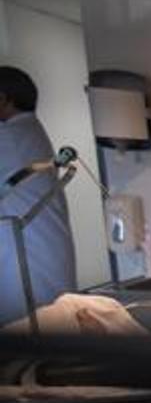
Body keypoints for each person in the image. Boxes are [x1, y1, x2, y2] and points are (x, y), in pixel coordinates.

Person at [0, 66, 75, 326]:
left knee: (34, 356)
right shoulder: (30, 132)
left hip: (30, 274)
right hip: (43, 266)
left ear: (3, 98)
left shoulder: (10, 137)